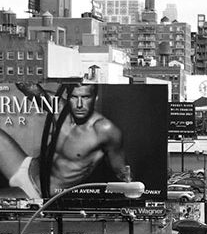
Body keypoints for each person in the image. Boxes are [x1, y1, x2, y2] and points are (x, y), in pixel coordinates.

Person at [0, 83, 130, 198]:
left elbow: (122, 172)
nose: (79, 105)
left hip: (37, 193)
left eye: (85, 97)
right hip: (25, 167)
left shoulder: (104, 130)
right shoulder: (60, 109)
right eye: (74, 97)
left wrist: (134, 199)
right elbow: (25, 86)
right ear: (68, 97)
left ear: (95, 98)